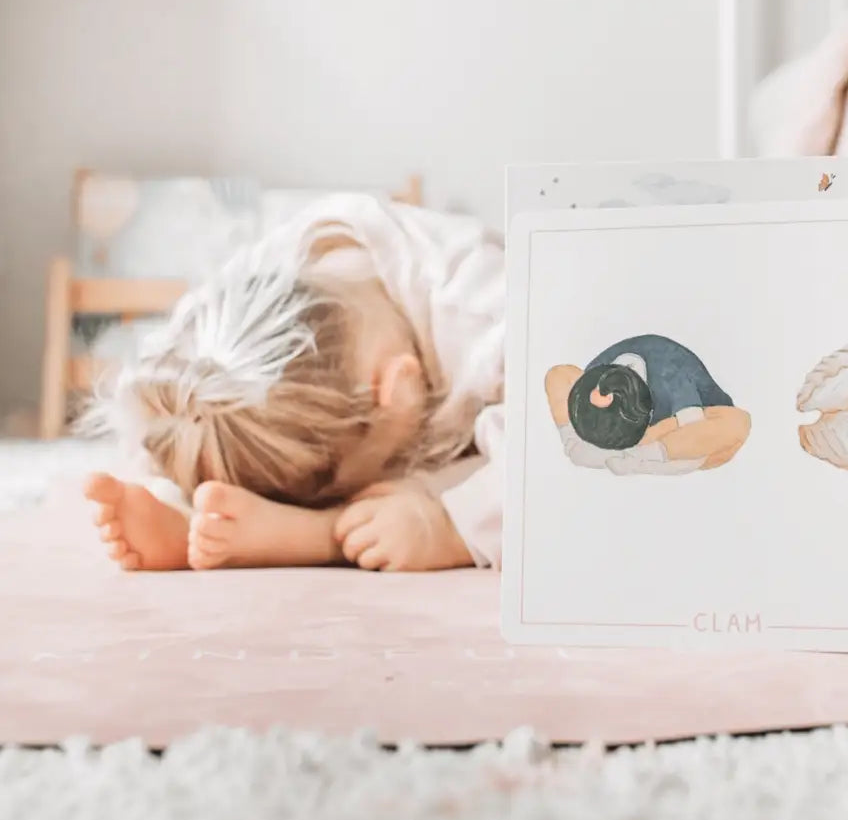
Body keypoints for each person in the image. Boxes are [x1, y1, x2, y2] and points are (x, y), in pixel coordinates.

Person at [83, 192, 505, 572]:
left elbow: (556, 458)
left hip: (507, 416)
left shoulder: (490, 310)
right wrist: (168, 490)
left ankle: (318, 535)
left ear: (397, 392)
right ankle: (211, 519)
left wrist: (449, 529)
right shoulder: (218, 323)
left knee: (500, 462)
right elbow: (169, 412)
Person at [544, 335, 750, 475]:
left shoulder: (672, 378)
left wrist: (653, 441)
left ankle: (642, 458)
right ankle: (578, 444)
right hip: (646, 436)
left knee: (738, 423)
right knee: (558, 374)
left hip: (687, 423)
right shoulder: (594, 378)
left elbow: (689, 425)